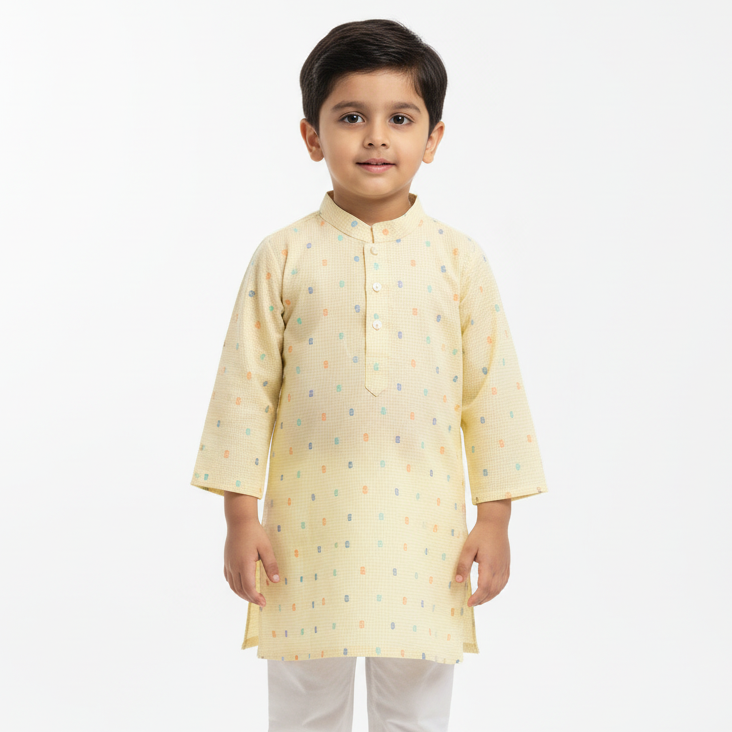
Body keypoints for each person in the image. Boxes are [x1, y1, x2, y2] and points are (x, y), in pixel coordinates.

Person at [189, 18, 549, 732]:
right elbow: (244, 391)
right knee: (304, 709)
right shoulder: (282, 257)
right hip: (304, 534)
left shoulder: (459, 261)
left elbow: (492, 395)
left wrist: (495, 519)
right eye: (351, 117)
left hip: (427, 537)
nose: (376, 137)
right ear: (312, 137)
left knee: (415, 710)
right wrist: (239, 517)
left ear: (433, 139)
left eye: (401, 119)